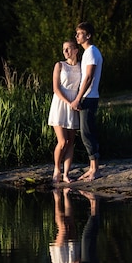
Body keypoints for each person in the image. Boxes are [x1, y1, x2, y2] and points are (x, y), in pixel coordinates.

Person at [70, 22, 103, 182]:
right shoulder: (89, 52)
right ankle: (92, 168)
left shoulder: (91, 52)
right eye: (76, 33)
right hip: (89, 96)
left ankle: (95, 170)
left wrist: (78, 98)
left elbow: (88, 77)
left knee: (86, 132)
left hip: (88, 97)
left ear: (88, 35)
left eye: (80, 33)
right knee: (86, 132)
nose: (77, 36)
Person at [48, 40, 81, 184]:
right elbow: (56, 88)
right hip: (61, 103)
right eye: (64, 49)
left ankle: (66, 174)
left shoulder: (81, 67)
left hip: (75, 102)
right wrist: (69, 103)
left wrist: (77, 101)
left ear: (76, 50)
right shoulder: (60, 65)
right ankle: (57, 169)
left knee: (70, 142)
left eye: (68, 49)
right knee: (62, 141)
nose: (65, 51)